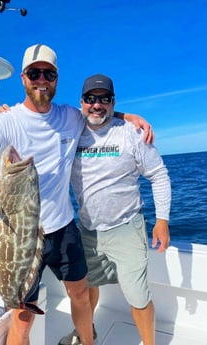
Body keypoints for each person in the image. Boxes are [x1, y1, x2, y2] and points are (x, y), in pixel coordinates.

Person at [0, 44, 153, 345]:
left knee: (81, 295)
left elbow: (97, 111)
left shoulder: (70, 117)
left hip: (63, 229)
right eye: (35, 73)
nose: (42, 79)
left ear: (56, 79)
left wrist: (128, 116)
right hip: (18, 235)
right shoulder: (5, 121)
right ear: (23, 78)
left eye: (48, 73)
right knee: (23, 316)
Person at [58, 74, 171, 345]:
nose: (97, 105)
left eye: (104, 99)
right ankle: (88, 332)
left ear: (113, 102)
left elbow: (159, 175)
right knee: (87, 288)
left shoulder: (130, 132)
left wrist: (162, 221)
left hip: (127, 230)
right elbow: (39, 118)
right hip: (87, 231)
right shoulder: (71, 130)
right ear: (81, 102)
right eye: (90, 99)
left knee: (138, 296)